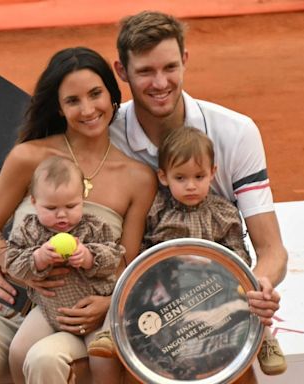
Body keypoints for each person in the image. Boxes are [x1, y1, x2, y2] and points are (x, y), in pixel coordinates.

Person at [109, 10, 288, 375]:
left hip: (220, 301)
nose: (160, 83)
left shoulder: (237, 133)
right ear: (122, 71)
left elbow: (271, 249)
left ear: (185, 60)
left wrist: (261, 286)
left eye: (170, 68)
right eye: (145, 72)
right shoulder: (104, 136)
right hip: (141, 307)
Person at [0, 47, 157, 384]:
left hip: (77, 318)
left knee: (44, 361)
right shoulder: (28, 156)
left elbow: (127, 260)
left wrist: (108, 304)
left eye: (96, 94)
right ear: (58, 106)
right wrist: (19, 269)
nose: (87, 109)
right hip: (10, 305)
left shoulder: (138, 178)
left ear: (113, 95)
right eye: (73, 100)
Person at [89, 126, 286, 374]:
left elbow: (239, 256)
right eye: (180, 178)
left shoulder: (223, 213)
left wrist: (219, 267)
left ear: (213, 173)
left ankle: (266, 341)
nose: (190, 186)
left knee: (250, 291)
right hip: (166, 285)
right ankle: (111, 331)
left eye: (199, 177)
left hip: (211, 284)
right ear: (163, 177)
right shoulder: (156, 209)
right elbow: (142, 250)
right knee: (130, 287)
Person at [5, 156, 125, 383]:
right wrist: (38, 258)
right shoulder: (29, 230)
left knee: (103, 357)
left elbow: (114, 258)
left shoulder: (94, 226)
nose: (61, 215)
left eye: (71, 206)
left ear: (83, 199)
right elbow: (12, 264)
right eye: (51, 208)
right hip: (50, 309)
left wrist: (89, 257)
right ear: (33, 201)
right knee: (18, 350)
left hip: (95, 310)